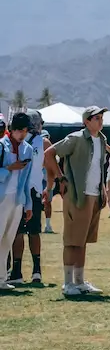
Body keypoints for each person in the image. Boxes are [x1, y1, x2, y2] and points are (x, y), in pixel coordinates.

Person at [44, 106, 110, 299]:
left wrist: (103, 190)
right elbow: (49, 153)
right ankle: (68, 283)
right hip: (77, 195)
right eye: (96, 118)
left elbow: (99, 169)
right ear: (86, 121)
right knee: (72, 240)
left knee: (83, 241)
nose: (100, 121)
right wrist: (60, 177)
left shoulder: (102, 140)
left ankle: (80, 281)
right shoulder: (76, 138)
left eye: (101, 118)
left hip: (94, 195)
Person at [10, 110, 47, 287]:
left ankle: (17, 271)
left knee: (18, 232)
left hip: (18, 189)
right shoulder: (43, 141)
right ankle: (36, 270)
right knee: (33, 231)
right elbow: (49, 162)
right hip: (34, 190)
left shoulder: (17, 142)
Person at [0, 113, 34, 295]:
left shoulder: (27, 149)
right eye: (20, 130)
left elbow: (27, 179)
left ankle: (1, 279)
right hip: (2, 197)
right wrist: (8, 169)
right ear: (12, 129)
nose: (23, 134)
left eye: (25, 131)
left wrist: (28, 204)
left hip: (17, 199)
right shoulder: (1, 145)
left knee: (8, 239)